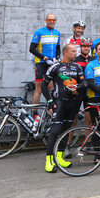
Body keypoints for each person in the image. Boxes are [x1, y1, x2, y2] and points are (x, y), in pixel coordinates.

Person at [41, 44, 86, 173]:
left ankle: (59, 157)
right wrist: (49, 101)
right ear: (65, 52)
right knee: (55, 131)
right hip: (59, 102)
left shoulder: (77, 66)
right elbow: (44, 85)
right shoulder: (55, 66)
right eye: (73, 51)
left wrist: (79, 88)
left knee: (66, 130)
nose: (75, 53)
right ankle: (49, 160)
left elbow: (83, 82)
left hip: (73, 103)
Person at [30, 13, 61, 104]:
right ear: (46, 21)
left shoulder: (57, 33)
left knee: (51, 88)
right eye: (49, 20)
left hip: (52, 64)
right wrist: (44, 57)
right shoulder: (39, 32)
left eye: (53, 20)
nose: (51, 21)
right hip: (41, 63)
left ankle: (50, 111)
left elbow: (58, 47)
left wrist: (57, 57)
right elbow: (32, 49)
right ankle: (35, 114)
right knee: (38, 89)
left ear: (56, 21)